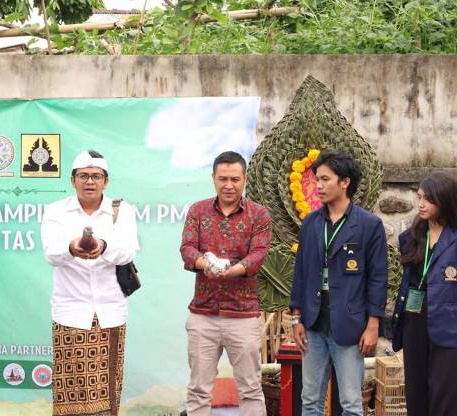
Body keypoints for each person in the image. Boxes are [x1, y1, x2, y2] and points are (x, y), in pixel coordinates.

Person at [289, 150, 387, 416]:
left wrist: (373, 325)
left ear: (345, 182)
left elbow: (378, 278)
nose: (318, 186)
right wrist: (296, 319)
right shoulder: (311, 223)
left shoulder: (369, 225)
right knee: (310, 400)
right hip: (313, 322)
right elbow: (300, 273)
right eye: (317, 180)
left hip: (350, 323)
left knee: (351, 404)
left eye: (325, 179)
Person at [41, 150, 138, 416]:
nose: (90, 181)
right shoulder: (56, 211)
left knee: (107, 389)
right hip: (69, 313)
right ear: (72, 180)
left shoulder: (122, 210)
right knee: (69, 389)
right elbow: (51, 253)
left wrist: (103, 246)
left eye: (96, 176)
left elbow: (128, 251)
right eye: (83, 176)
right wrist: (72, 248)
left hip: (110, 312)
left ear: (106, 181)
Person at [180, 151, 271, 416]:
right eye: (222, 179)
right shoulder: (197, 211)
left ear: (245, 179)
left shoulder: (259, 214)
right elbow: (187, 248)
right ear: (213, 178)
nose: (228, 185)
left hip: (243, 316)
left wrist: (231, 271)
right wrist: (204, 264)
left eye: (234, 179)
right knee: (198, 389)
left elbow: (258, 255)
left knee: (251, 388)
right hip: (203, 315)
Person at [391, 172, 457, 416]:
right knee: (415, 392)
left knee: (444, 396)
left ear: (445, 200)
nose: (421, 204)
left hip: (448, 323)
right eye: (419, 197)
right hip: (414, 318)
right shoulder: (411, 237)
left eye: (428, 199)